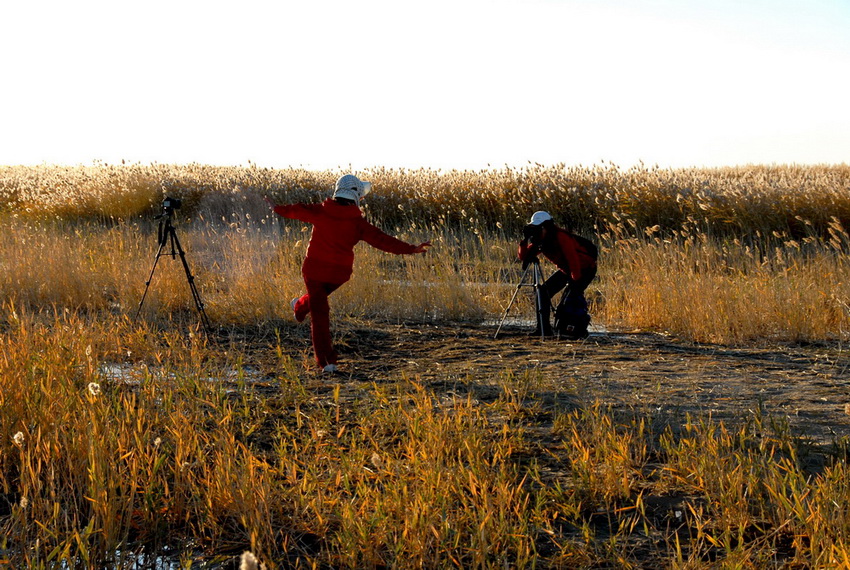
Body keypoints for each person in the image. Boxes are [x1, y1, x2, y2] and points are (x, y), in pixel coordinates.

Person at [266, 174, 431, 373]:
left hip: (315, 271)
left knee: (318, 309)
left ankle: (300, 307)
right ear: (356, 196)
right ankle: (327, 361)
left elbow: (296, 210)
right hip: (337, 275)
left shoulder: (320, 211)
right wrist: (411, 249)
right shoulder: (357, 223)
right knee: (320, 310)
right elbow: (382, 240)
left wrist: (276, 208)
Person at [517, 211, 598, 338]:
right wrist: (524, 240)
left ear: (547, 227)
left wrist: (575, 281)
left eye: (539, 228)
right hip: (567, 270)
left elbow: (573, 259)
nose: (538, 230)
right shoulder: (541, 239)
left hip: (584, 269)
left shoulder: (560, 236)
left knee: (570, 298)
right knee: (542, 293)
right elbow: (524, 256)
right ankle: (543, 330)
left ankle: (571, 329)